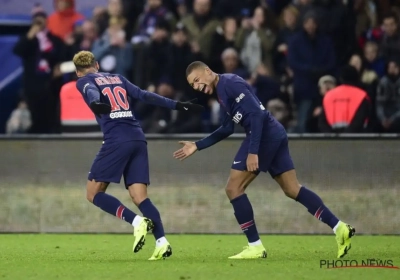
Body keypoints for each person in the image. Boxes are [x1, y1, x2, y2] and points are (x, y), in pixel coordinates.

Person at [174, 61, 355, 259]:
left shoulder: (230, 83)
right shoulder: (222, 90)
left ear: (208, 71)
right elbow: (227, 128)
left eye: (197, 80)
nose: (197, 87)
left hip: (262, 135)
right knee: (292, 189)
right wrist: (197, 145)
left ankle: (255, 246)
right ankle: (339, 228)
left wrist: (253, 151)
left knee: (233, 189)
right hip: (274, 133)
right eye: (193, 85)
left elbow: (257, 115)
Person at [73, 51, 203, 260]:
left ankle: (137, 222)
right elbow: (144, 95)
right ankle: (161, 242)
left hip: (117, 139)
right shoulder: (117, 78)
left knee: (93, 193)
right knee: (140, 197)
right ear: (97, 65)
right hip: (137, 137)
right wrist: (177, 104)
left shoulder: (83, 81)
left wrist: (96, 103)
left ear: (78, 72)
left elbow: (90, 91)